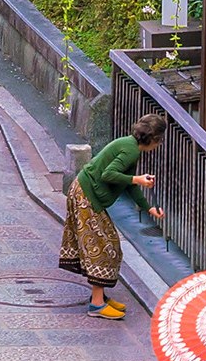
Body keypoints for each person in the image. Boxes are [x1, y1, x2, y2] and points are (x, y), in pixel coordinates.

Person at [60, 113, 164, 318]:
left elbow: (126, 182)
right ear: (155, 139)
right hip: (86, 196)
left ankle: (99, 297)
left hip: (86, 193)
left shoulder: (131, 146)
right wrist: (137, 179)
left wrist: (148, 207)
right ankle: (97, 304)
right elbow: (109, 174)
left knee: (108, 244)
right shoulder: (131, 150)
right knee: (104, 247)